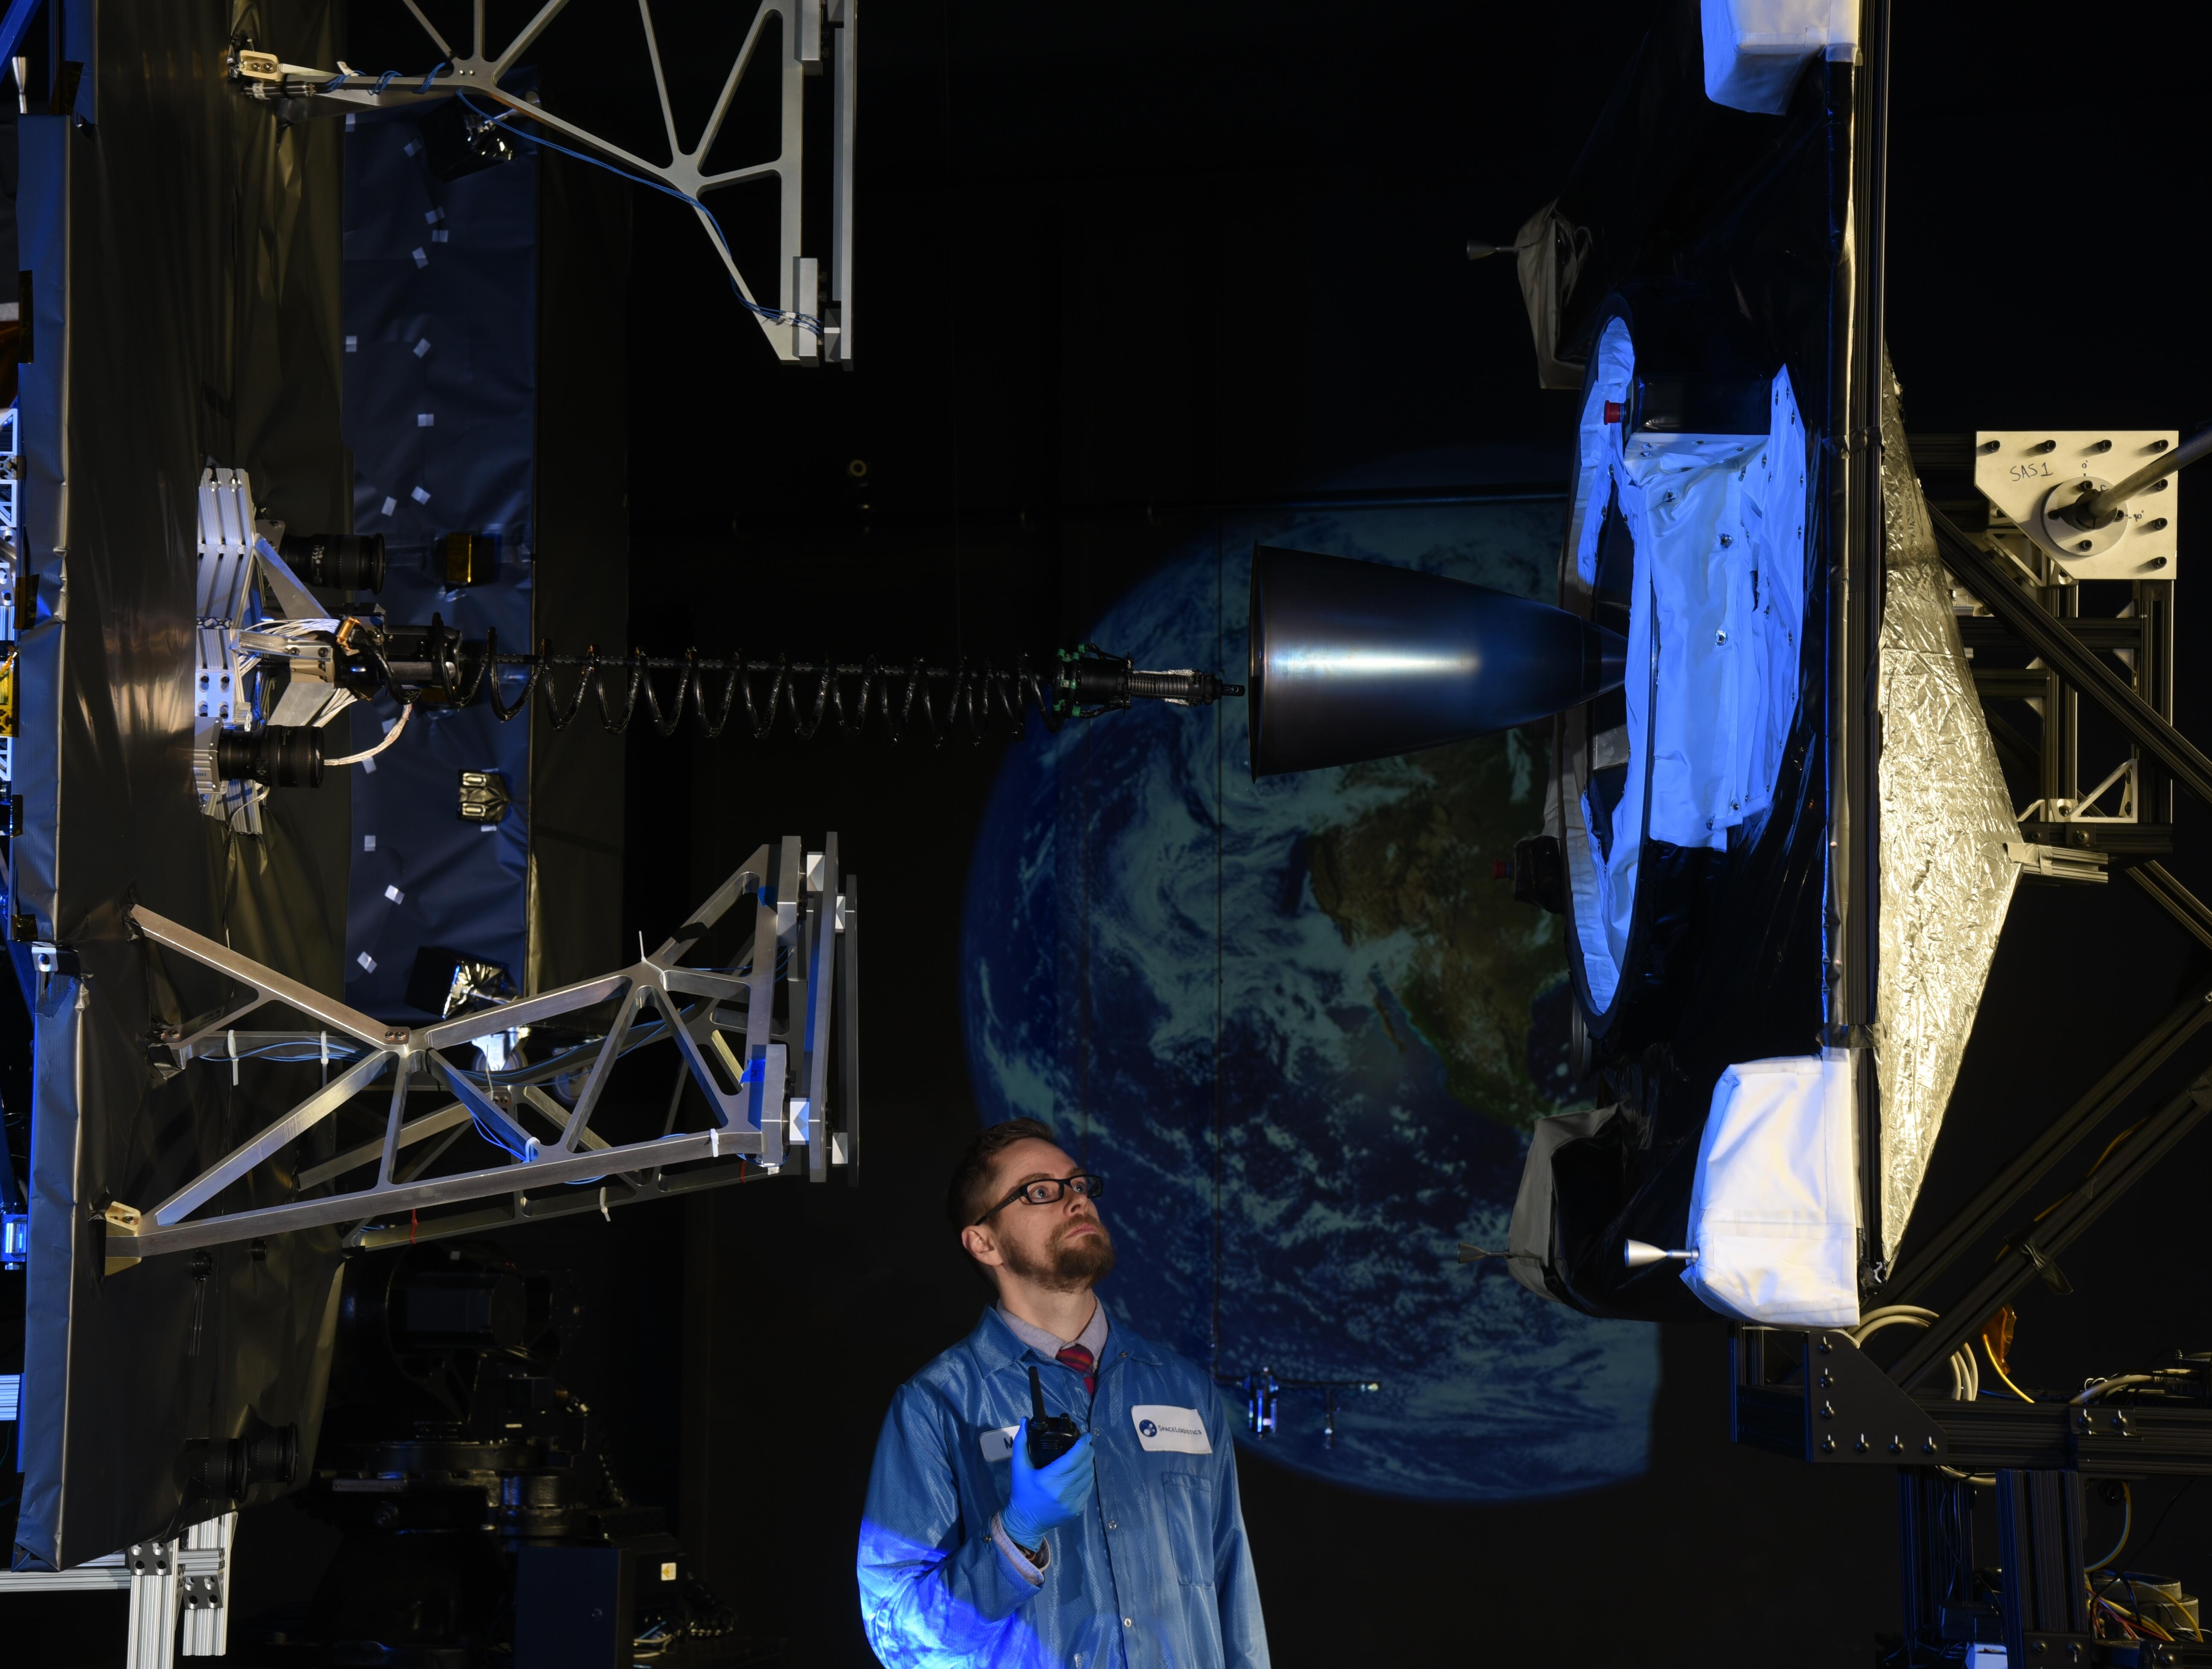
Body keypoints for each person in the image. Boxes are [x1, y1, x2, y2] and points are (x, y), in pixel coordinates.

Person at [856, 1118, 1269, 1669]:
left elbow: (1234, 1591)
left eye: (1078, 1184)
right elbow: (898, 1636)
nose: (1077, 1200)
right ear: (984, 1242)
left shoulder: (1184, 1388)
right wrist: (1016, 1538)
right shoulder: (937, 1405)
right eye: (1040, 1192)